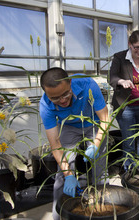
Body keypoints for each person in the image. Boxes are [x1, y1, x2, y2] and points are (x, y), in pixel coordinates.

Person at [39, 67, 109, 220]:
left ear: (70, 83)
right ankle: (58, 215)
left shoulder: (88, 85)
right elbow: (55, 144)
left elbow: (105, 119)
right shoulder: (45, 106)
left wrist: (96, 144)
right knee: (62, 175)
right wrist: (69, 175)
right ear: (46, 94)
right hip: (69, 126)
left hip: (94, 124)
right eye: (55, 98)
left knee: (100, 172)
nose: (62, 100)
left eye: (65, 94)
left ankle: (103, 211)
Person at [108, 30, 139, 171]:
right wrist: (121, 81)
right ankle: (129, 170)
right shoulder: (120, 57)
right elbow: (112, 78)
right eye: (137, 47)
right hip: (126, 107)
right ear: (130, 44)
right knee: (129, 140)